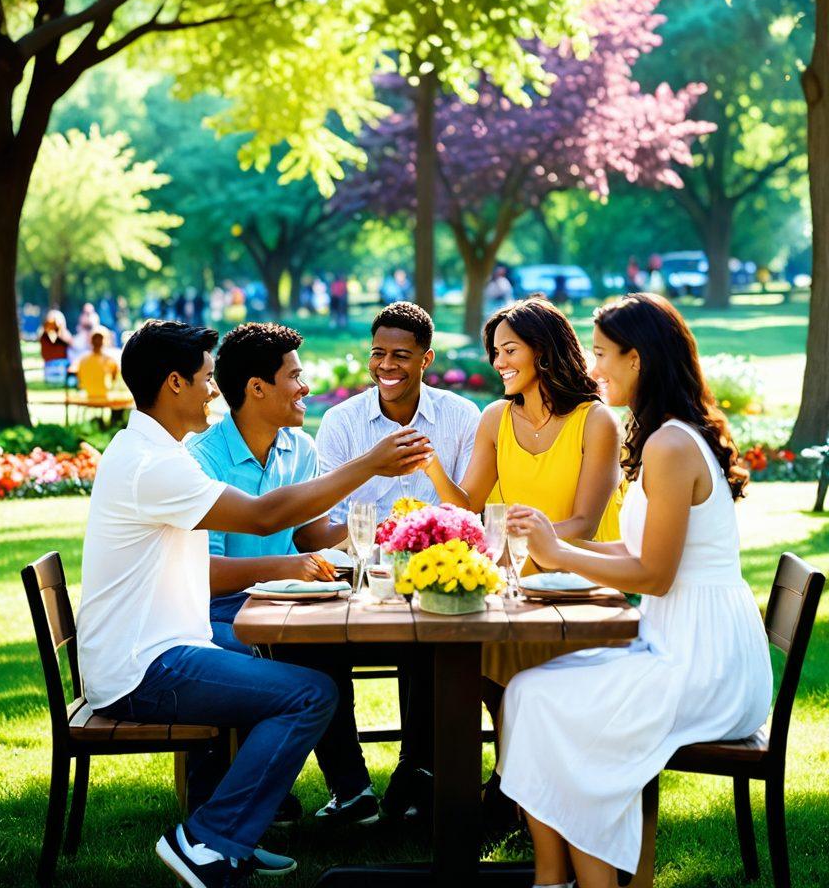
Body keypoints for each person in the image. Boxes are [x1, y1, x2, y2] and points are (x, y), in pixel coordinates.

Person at [76, 320, 430, 888]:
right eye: (206, 379)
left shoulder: (149, 450)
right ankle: (209, 840)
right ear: (173, 384)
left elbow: (293, 525)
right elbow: (266, 517)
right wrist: (369, 464)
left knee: (305, 673)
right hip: (145, 666)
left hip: (161, 646)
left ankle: (234, 832)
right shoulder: (157, 464)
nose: (214, 391)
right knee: (310, 692)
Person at [499, 293, 772, 888]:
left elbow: (655, 574)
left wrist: (561, 551)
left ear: (638, 359)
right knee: (526, 691)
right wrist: (551, 541)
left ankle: (582, 882)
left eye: (601, 354)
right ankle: (554, 875)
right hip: (679, 643)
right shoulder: (666, 436)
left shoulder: (670, 446)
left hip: (706, 667)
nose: (592, 368)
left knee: (547, 704)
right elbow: (636, 552)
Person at [422, 297, 622, 820]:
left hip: (584, 580)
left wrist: (533, 543)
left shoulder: (594, 420)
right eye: (494, 352)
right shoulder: (495, 419)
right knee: (470, 654)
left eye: (509, 349)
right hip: (519, 580)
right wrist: (432, 466)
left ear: (545, 350)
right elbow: (467, 507)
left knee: (498, 652)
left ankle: (515, 782)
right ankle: (512, 777)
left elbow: (584, 523)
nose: (498, 362)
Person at [188, 322, 380, 825]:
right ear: (257, 389)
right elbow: (202, 574)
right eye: (295, 376)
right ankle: (220, 790)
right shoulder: (202, 460)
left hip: (280, 603)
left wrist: (375, 533)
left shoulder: (300, 448)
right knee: (273, 660)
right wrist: (285, 569)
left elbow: (309, 534)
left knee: (326, 645)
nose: (306, 387)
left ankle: (351, 791)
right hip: (215, 612)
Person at [315, 301, 481, 817]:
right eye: (378, 353)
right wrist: (380, 533)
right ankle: (352, 788)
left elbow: (471, 516)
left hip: (432, 582)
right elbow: (318, 527)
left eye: (401, 356)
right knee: (317, 649)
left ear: (426, 359)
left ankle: (419, 774)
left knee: (432, 640)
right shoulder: (342, 423)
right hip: (355, 581)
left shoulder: (460, 416)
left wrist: (431, 471)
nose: (387, 365)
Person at [76, 330, 118, 400]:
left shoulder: (83, 359)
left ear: (91, 342)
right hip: (104, 394)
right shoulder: (109, 359)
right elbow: (115, 377)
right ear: (103, 342)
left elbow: (79, 377)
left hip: (87, 394)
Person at [39, 310, 72, 384]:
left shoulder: (62, 336)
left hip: (61, 369)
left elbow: (71, 343)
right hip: (52, 370)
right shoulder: (44, 337)